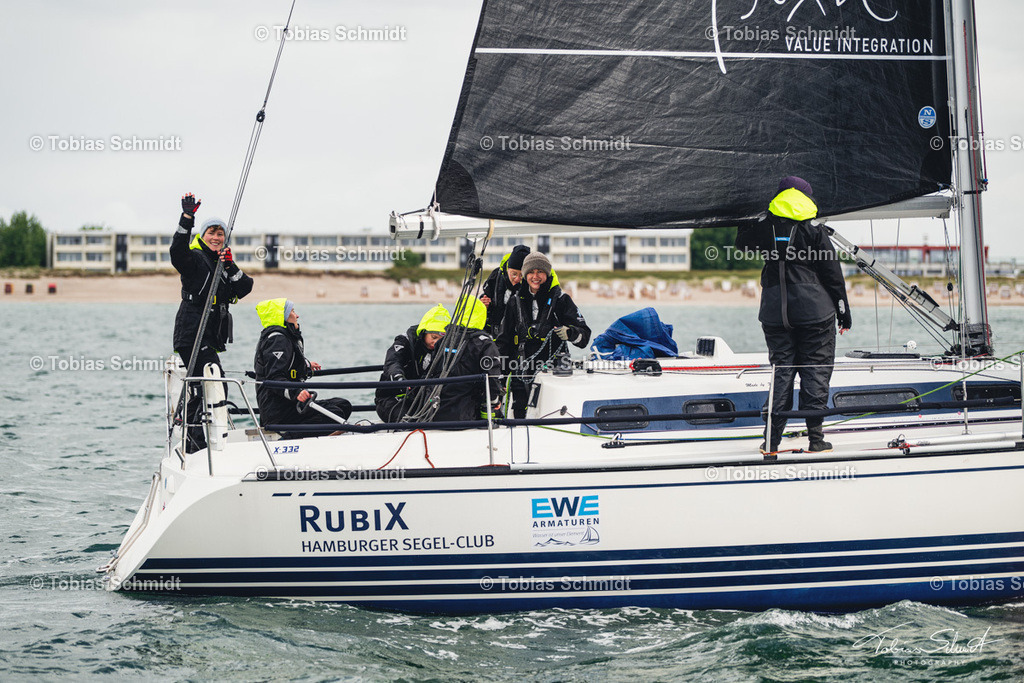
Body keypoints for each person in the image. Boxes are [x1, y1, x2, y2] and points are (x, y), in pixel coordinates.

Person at [734, 176, 852, 453]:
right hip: (816, 313)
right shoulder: (814, 230)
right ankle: (816, 440)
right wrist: (843, 311)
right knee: (816, 374)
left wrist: (746, 216)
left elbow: (741, 243)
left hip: (775, 314)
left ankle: (771, 442)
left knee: (782, 374)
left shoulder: (765, 228)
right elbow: (832, 275)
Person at [171, 193, 254, 451]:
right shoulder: (195, 258)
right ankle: (195, 441)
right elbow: (177, 252)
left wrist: (230, 266)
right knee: (212, 381)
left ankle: (198, 437)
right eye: (212, 233)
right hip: (191, 333)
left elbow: (245, 287)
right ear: (203, 235)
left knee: (207, 381)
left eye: (220, 234)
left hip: (208, 336)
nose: (216, 238)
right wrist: (187, 218)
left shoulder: (222, 262)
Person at [497, 252, 591, 418]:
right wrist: (501, 379)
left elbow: (584, 337)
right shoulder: (515, 301)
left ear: (547, 274)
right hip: (522, 372)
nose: (535, 276)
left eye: (540, 272)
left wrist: (570, 333)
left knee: (551, 414)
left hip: (554, 373)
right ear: (525, 275)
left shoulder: (561, 300)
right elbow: (505, 343)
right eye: (531, 272)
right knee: (520, 416)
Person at [254, 298, 352, 435]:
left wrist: (305, 366)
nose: (297, 315)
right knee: (336, 413)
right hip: (279, 412)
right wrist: (296, 392)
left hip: (291, 406)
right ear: (283, 317)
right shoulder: (277, 339)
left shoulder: (284, 337)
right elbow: (274, 376)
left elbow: (285, 364)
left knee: (343, 405)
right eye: (293, 311)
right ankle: (289, 439)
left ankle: (314, 438)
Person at [374, 304, 451, 423]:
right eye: (433, 337)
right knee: (409, 419)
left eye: (439, 340)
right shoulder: (405, 341)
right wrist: (399, 379)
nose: (435, 343)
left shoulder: (444, 349)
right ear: (424, 332)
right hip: (391, 398)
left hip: (423, 399)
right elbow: (392, 361)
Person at [433, 296, 504, 423]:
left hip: (437, 412)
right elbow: (492, 377)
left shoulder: (444, 340)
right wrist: (495, 400)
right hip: (467, 414)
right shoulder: (484, 343)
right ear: (481, 315)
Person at [480, 244, 530, 336]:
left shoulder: (532, 283)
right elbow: (486, 296)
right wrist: (484, 303)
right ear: (507, 269)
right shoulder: (496, 276)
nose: (517, 279)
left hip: (517, 335)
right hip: (494, 331)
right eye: (514, 274)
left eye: (522, 275)